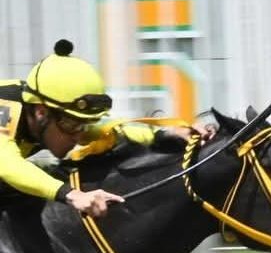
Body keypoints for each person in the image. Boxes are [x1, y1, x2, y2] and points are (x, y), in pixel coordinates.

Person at [1, 39, 203, 220]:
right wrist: (72, 195)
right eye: (72, 125)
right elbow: (8, 165)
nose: (79, 136)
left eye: (83, 124)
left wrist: (163, 134)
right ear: (41, 113)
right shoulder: (6, 109)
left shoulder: (45, 115)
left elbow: (104, 130)